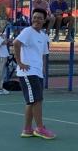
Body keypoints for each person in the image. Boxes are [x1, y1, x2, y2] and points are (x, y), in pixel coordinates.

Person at [13, 8, 55, 139]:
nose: (36, 20)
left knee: (32, 101)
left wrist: (43, 69)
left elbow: (43, 54)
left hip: (37, 72)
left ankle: (27, 129)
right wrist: (19, 62)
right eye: (34, 17)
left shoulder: (43, 35)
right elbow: (16, 43)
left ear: (44, 20)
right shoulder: (27, 31)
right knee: (37, 100)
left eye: (40, 18)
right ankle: (40, 128)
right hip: (27, 72)